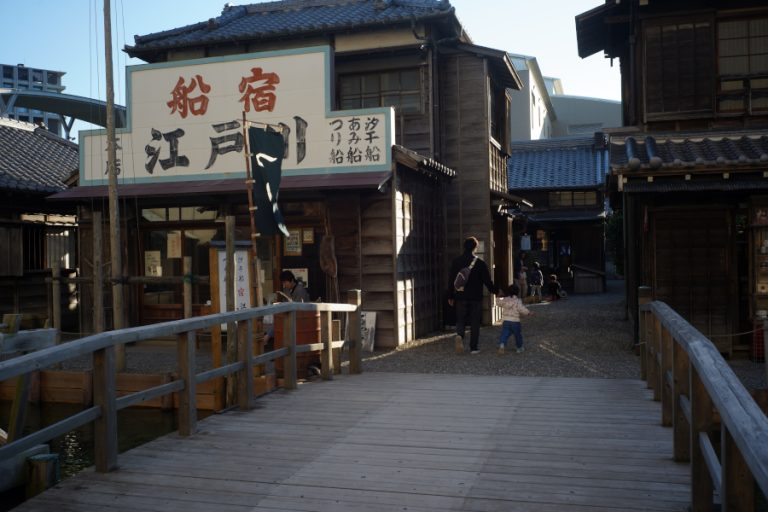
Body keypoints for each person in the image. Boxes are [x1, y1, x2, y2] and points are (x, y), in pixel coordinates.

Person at [447, 236, 497, 354]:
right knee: (475, 322)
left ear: (464, 246)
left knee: (461, 320)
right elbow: (487, 281)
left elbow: (451, 280)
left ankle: (460, 337)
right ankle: (473, 348)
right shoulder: (480, 263)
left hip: (460, 296)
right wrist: (496, 291)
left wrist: (450, 295)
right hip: (475, 297)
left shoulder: (456, 261)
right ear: (475, 247)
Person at [496, 283, 533, 354]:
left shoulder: (505, 299)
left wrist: (498, 297)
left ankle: (502, 344)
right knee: (517, 335)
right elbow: (522, 309)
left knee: (505, 333)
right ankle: (519, 348)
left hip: (506, 320)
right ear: (517, 292)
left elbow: (499, 303)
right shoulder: (518, 301)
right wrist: (528, 313)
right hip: (515, 321)